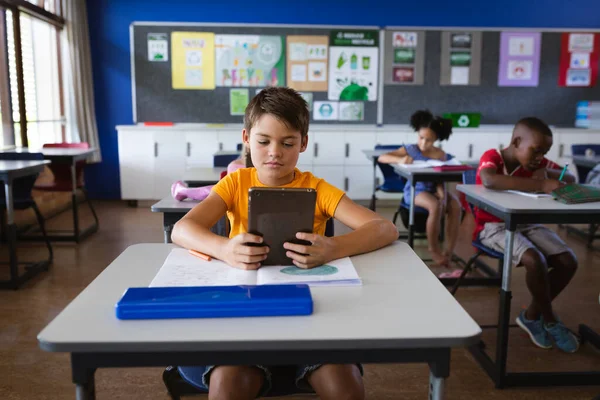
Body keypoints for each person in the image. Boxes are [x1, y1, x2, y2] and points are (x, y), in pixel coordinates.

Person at [171, 86, 398, 399]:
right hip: (245, 308)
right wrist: (225, 249)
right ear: (247, 138)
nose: (274, 152)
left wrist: (334, 247)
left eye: (287, 142)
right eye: (263, 141)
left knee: (344, 384)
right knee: (228, 382)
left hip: (312, 310)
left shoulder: (317, 189)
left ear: (303, 143)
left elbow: (384, 228)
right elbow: (182, 230)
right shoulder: (235, 183)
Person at [475, 117, 579, 353]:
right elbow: (489, 180)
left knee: (568, 261)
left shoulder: (536, 164)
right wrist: (541, 185)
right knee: (535, 260)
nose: (539, 157)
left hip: (526, 225)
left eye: (544, 153)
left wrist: (548, 171)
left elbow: (569, 179)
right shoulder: (493, 157)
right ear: (516, 141)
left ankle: (532, 316)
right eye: (536, 151)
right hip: (494, 227)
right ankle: (550, 318)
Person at [378, 110, 460, 266]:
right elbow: (382, 157)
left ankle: (449, 251)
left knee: (455, 204)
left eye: (429, 140)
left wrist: (441, 191)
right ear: (417, 134)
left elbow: (440, 175)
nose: (423, 143)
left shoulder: (440, 154)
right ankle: (434, 250)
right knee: (435, 205)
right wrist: (401, 158)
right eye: (421, 138)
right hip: (416, 190)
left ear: (436, 138)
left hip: (434, 189)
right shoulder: (411, 149)